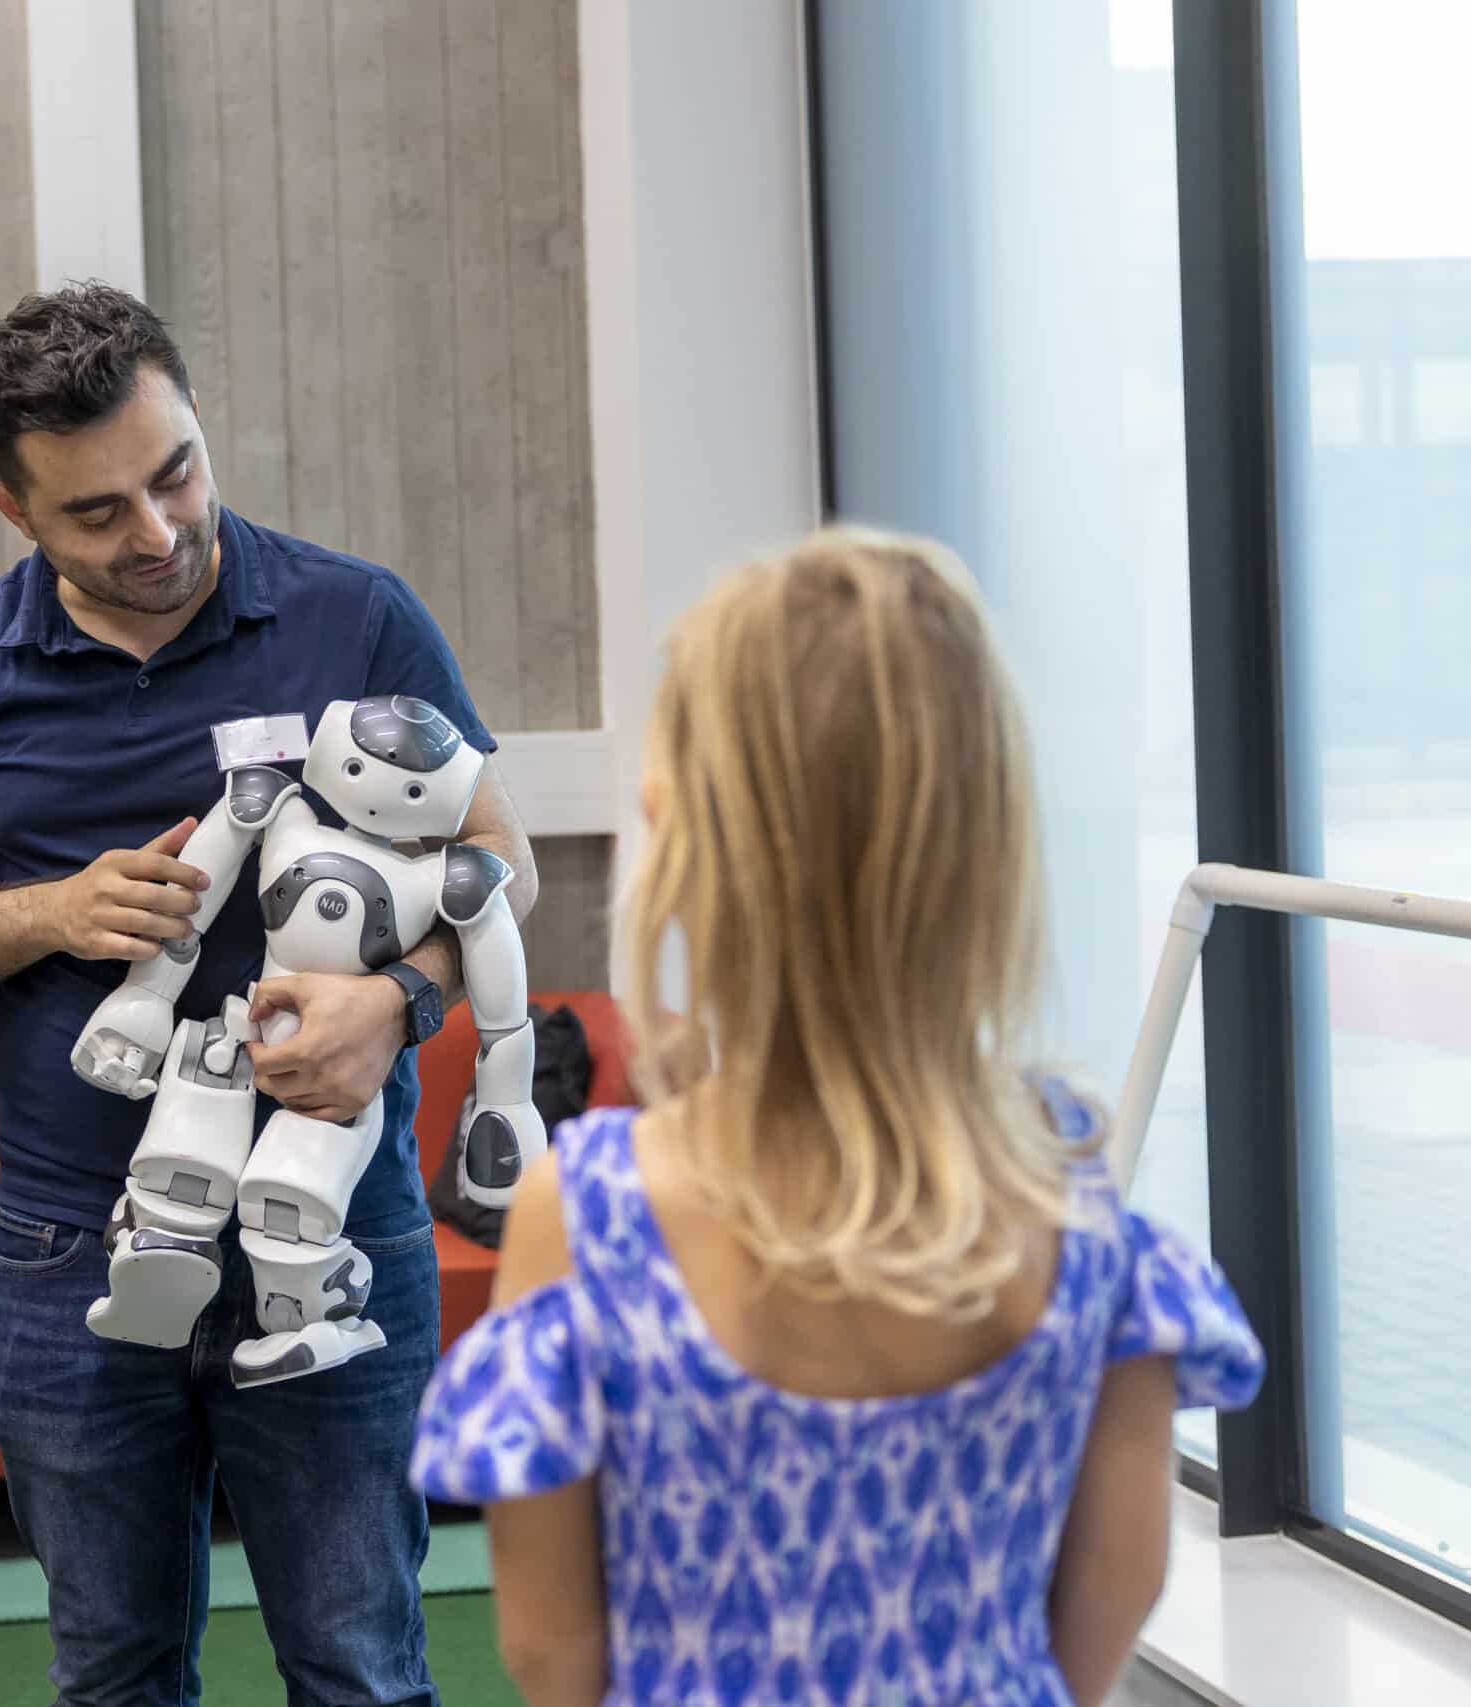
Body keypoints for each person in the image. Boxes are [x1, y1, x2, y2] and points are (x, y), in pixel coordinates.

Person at [410, 528, 1264, 1707]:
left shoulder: (594, 1210)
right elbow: (1117, 1581)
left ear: (678, 831)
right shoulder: (1061, 1176)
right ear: (991, 839)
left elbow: (553, 1648)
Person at [0, 283, 538, 1706]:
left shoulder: (355, 615)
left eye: (176, 473)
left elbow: (500, 865)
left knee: (360, 1667)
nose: (157, 532)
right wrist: (53, 910)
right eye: (97, 512)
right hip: (68, 1246)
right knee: (115, 1671)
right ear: (11, 508)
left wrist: (401, 1004)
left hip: (340, 1219)